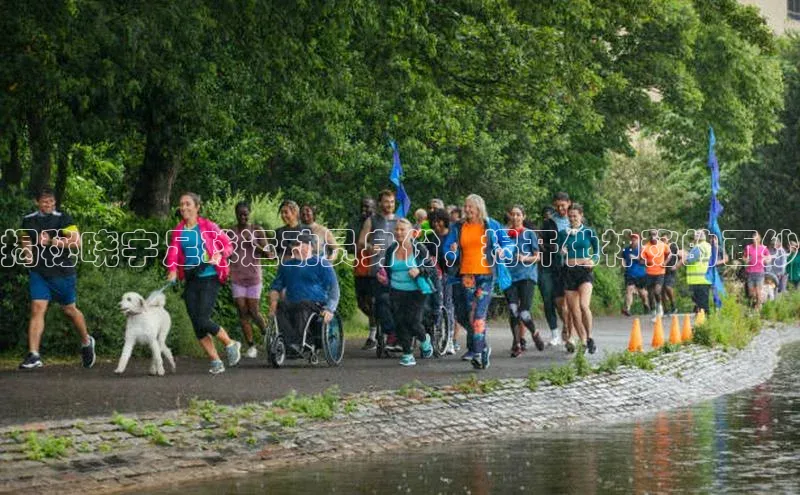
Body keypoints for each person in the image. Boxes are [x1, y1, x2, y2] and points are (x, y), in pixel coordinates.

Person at [18, 187, 96, 370]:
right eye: (45, 201)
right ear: (37, 202)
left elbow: (77, 243)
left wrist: (52, 241)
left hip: (62, 272)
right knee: (37, 308)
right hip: (39, 272)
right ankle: (34, 355)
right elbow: (25, 242)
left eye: (52, 201)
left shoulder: (63, 218)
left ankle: (86, 341)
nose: (49, 204)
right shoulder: (28, 220)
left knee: (69, 310)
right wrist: (28, 257)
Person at [166, 192, 241, 374]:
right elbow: (174, 253)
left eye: (188, 204)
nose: (183, 207)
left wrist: (219, 254)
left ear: (197, 207)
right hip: (191, 278)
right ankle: (215, 360)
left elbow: (229, 246)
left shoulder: (209, 227)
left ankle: (230, 343)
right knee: (196, 322)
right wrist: (172, 270)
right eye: (181, 204)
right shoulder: (178, 230)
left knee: (202, 318)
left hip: (209, 275)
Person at [444, 194, 513, 370]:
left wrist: (503, 251)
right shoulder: (458, 227)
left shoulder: (491, 225)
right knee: (469, 314)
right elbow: (447, 248)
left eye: (470, 207)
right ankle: (482, 349)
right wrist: (451, 252)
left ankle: (477, 352)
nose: (466, 210)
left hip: (486, 275)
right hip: (467, 275)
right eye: (465, 206)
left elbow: (508, 243)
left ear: (479, 208)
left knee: (479, 315)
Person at [268, 234, 340, 354]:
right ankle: (291, 343)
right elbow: (276, 287)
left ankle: (298, 343)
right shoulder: (286, 266)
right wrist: (274, 302)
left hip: (317, 304)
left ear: (309, 246)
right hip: (293, 302)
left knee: (302, 305)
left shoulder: (322, 264)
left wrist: (330, 309)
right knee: (281, 306)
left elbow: (334, 289)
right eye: (293, 245)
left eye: (298, 244)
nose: (295, 247)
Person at [380, 219, 435, 366]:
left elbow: (431, 268)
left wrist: (419, 270)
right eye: (397, 229)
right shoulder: (391, 250)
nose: (399, 232)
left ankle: (424, 339)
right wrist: (383, 277)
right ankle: (407, 354)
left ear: (410, 232)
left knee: (413, 321)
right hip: (396, 291)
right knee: (400, 322)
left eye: (402, 230)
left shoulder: (419, 249)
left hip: (416, 290)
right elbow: (387, 269)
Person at [358, 190, 399, 350]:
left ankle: (397, 335)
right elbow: (361, 242)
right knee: (378, 303)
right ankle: (385, 333)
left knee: (396, 302)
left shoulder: (400, 220)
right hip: (377, 268)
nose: (389, 205)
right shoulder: (372, 220)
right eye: (387, 201)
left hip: (397, 269)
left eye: (392, 202)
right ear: (380, 203)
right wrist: (369, 247)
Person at [556, 204, 600, 354]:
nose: (572, 218)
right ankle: (581, 339)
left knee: (583, 305)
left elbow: (597, 251)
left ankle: (590, 337)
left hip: (584, 270)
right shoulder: (563, 233)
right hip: (569, 271)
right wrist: (561, 251)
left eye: (575, 216)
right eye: (570, 216)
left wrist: (593, 260)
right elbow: (559, 251)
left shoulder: (589, 232)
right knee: (573, 311)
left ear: (581, 216)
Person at [228, 201, 269, 358]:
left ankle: (266, 333)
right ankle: (251, 346)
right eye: (240, 214)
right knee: (242, 311)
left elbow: (268, 253)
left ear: (249, 214)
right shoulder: (231, 231)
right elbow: (226, 251)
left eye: (246, 213)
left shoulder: (257, 230)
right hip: (237, 276)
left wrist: (253, 244)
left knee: (253, 310)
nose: (243, 216)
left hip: (253, 277)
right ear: (236, 214)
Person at [504, 205, 543, 357]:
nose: (515, 217)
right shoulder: (505, 234)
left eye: (518, 214)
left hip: (526, 275)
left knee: (524, 312)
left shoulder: (529, 234)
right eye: (513, 214)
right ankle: (517, 344)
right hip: (509, 277)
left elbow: (537, 256)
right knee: (513, 310)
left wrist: (525, 258)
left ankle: (535, 332)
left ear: (523, 217)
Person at [539, 193, 572, 348]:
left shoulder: (574, 221)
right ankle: (554, 333)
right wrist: (548, 247)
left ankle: (567, 329)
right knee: (547, 298)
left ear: (568, 203)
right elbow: (542, 242)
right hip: (547, 265)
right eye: (557, 205)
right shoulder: (548, 222)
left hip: (566, 266)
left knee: (562, 302)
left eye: (563, 205)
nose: (560, 208)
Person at [429, 208, 458, 354]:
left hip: (451, 273)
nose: (436, 225)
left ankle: (450, 339)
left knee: (449, 304)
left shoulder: (453, 235)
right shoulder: (432, 237)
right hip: (437, 274)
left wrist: (455, 250)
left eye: (439, 221)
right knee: (438, 304)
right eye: (433, 222)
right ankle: (439, 336)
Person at [351, 198, 377, 348]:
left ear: (374, 207)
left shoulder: (378, 223)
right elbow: (351, 243)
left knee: (373, 302)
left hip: (374, 267)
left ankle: (373, 335)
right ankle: (379, 323)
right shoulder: (356, 223)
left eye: (367, 207)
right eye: (362, 207)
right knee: (361, 303)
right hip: (360, 266)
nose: (364, 210)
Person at [640, 229, 668, 322]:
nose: (653, 236)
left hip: (660, 272)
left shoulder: (663, 245)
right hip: (649, 273)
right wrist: (646, 261)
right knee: (650, 295)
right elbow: (641, 260)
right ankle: (653, 310)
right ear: (649, 236)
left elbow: (669, 254)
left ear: (657, 235)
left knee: (657, 291)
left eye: (655, 234)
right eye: (651, 235)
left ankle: (659, 307)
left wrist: (665, 262)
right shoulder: (645, 247)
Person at [684, 230, 712, 314]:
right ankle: (704, 323)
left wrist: (683, 255)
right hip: (704, 279)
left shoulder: (698, 247)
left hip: (698, 280)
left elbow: (689, 260)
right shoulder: (707, 246)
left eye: (698, 234)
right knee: (703, 305)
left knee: (701, 306)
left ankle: (703, 324)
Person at [621, 233, 649, 317]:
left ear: (639, 240)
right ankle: (627, 309)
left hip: (641, 274)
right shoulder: (626, 250)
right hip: (629, 273)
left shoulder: (643, 250)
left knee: (642, 293)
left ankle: (646, 305)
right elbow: (623, 258)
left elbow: (646, 262)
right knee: (629, 289)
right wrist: (623, 264)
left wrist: (636, 258)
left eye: (635, 239)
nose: (633, 240)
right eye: (632, 239)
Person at [743, 231, 770, 311]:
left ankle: (757, 308)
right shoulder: (748, 247)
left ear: (759, 239)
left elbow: (769, 257)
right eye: (753, 238)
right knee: (751, 293)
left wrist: (766, 260)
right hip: (750, 272)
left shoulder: (763, 248)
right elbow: (744, 257)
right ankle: (760, 302)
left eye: (756, 238)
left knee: (758, 291)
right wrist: (746, 260)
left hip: (759, 273)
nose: (754, 240)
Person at [661, 235, 680, 314]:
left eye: (664, 239)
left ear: (668, 239)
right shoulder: (659, 248)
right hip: (660, 271)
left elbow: (682, 257)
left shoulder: (673, 247)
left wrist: (676, 266)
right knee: (661, 290)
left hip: (670, 271)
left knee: (668, 287)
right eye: (662, 239)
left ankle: (673, 305)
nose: (663, 240)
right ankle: (665, 309)